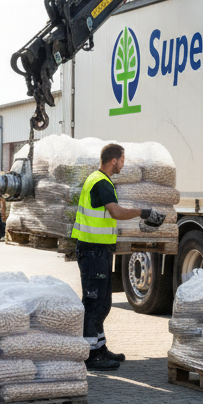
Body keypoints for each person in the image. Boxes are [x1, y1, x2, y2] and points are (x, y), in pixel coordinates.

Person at [71, 143, 164, 371]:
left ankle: (99, 348)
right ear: (114, 160)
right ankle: (90, 356)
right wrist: (143, 212)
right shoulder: (101, 182)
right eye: (123, 159)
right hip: (92, 251)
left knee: (103, 303)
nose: (123, 164)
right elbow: (115, 212)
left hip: (98, 250)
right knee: (93, 303)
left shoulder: (99, 179)